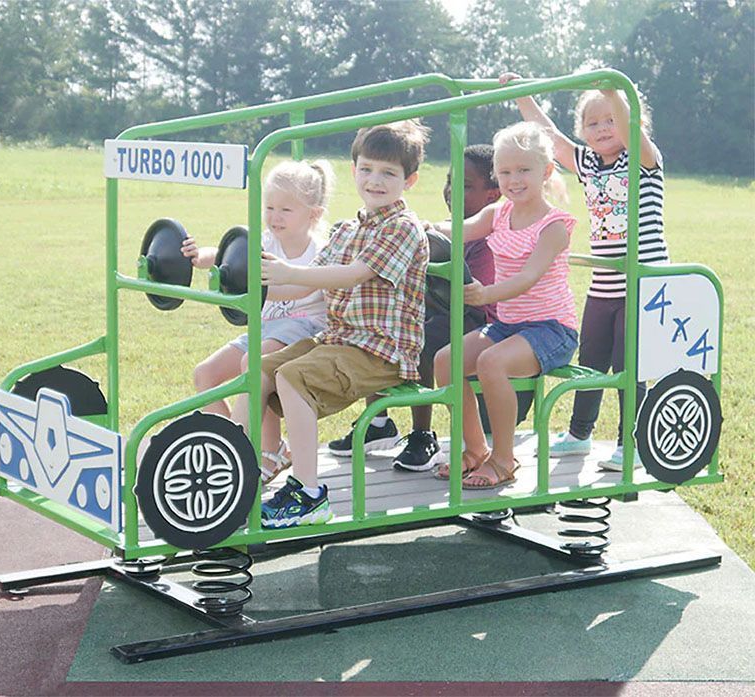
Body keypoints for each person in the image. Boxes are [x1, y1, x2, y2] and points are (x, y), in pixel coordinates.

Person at [230, 119, 430, 528]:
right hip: (337, 340)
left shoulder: (402, 229)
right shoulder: (347, 228)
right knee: (255, 367)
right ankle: (240, 468)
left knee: (292, 377)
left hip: (380, 350)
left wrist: (289, 273)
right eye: (367, 169)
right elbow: (306, 290)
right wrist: (250, 287)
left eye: (388, 173)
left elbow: (353, 274)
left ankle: (308, 492)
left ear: (409, 180)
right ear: (354, 168)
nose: (375, 180)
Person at [327, 145, 535, 471]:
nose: (452, 191)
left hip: (481, 318)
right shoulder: (439, 230)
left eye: (465, 186)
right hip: (449, 311)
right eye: (450, 181)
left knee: (422, 337)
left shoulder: (488, 237)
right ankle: (378, 424)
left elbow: (474, 295)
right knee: (385, 323)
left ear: (493, 194)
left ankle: (422, 434)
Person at [500, 72, 668, 470]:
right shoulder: (589, 163)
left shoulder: (643, 159)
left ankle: (635, 442)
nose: (602, 129)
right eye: (592, 123)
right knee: (591, 357)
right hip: (605, 280)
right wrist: (523, 94)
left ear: (632, 122)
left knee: (630, 364)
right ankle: (579, 433)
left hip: (642, 280)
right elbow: (552, 139)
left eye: (610, 119)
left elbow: (629, 129)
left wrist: (614, 92)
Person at [433, 122, 578, 489]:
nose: (514, 180)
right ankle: (476, 448)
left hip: (551, 330)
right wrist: (417, 226)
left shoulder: (554, 226)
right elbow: (453, 229)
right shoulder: (497, 215)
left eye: (524, 170)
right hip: (509, 326)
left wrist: (486, 295)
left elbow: (528, 278)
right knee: (445, 362)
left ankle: (503, 458)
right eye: (506, 172)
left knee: (490, 363)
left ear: (545, 172)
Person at [181, 159, 334, 484]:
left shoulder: (321, 251)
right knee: (205, 375)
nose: (274, 216)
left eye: (285, 210)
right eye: (270, 207)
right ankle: (238, 448)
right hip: (266, 328)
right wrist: (201, 258)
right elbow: (228, 254)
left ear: (314, 213)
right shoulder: (266, 242)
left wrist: (255, 290)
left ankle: (260, 453)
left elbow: (298, 286)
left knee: (254, 363)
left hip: (305, 327)